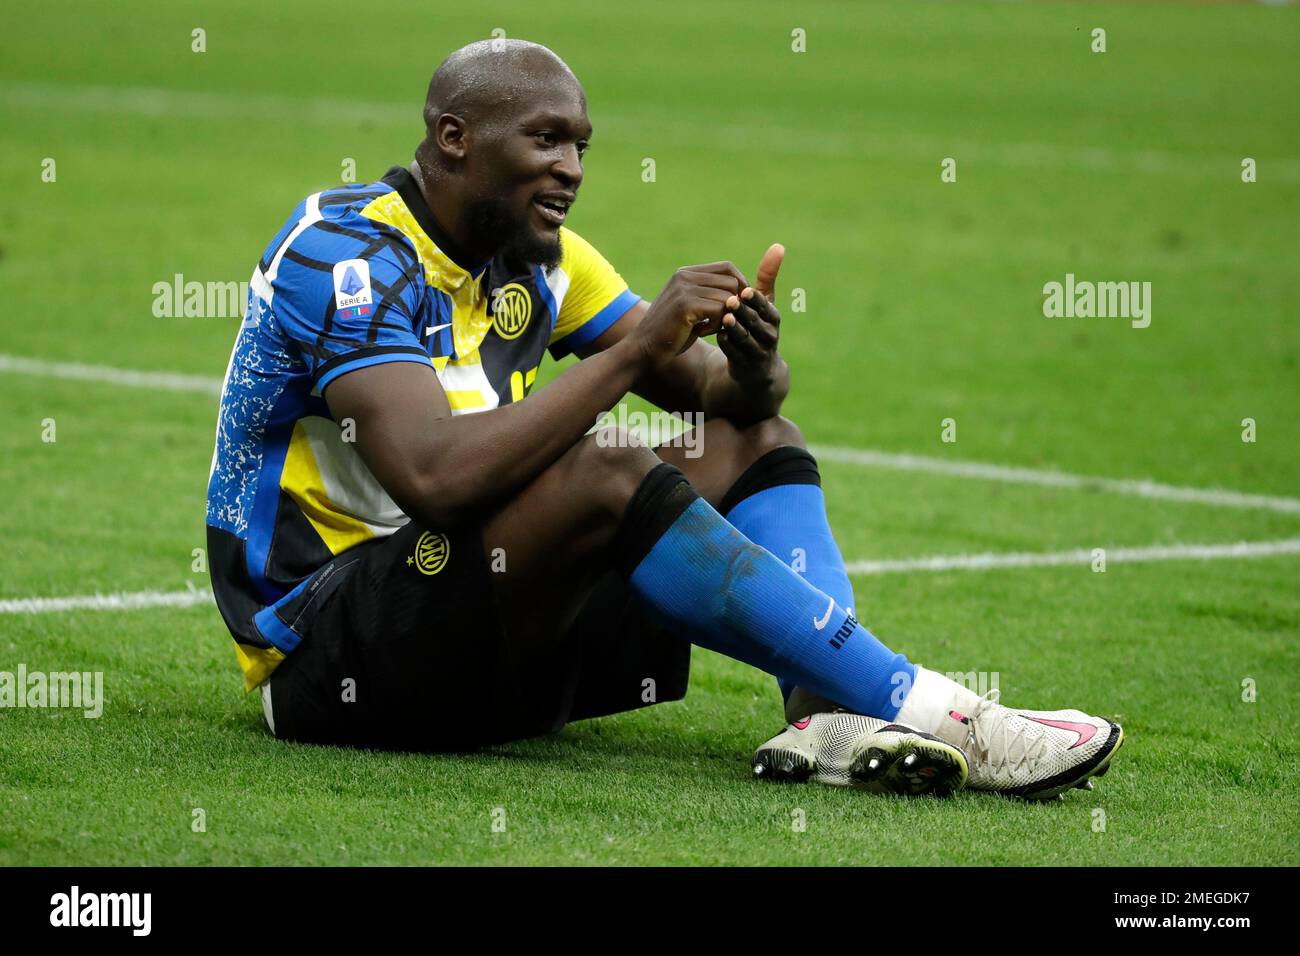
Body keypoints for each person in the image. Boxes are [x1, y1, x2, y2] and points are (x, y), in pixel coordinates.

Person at [205, 39, 1122, 800]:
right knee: (606, 460)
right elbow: (436, 480)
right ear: (454, 138)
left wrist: (756, 361)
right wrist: (634, 355)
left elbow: (724, 401)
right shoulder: (342, 253)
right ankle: (940, 711)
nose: (569, 168)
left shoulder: (541, 257)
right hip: (334, 661)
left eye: (582, 147)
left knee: (760, 446)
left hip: (488, 639)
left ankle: (828, 718)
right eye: (545, 140)